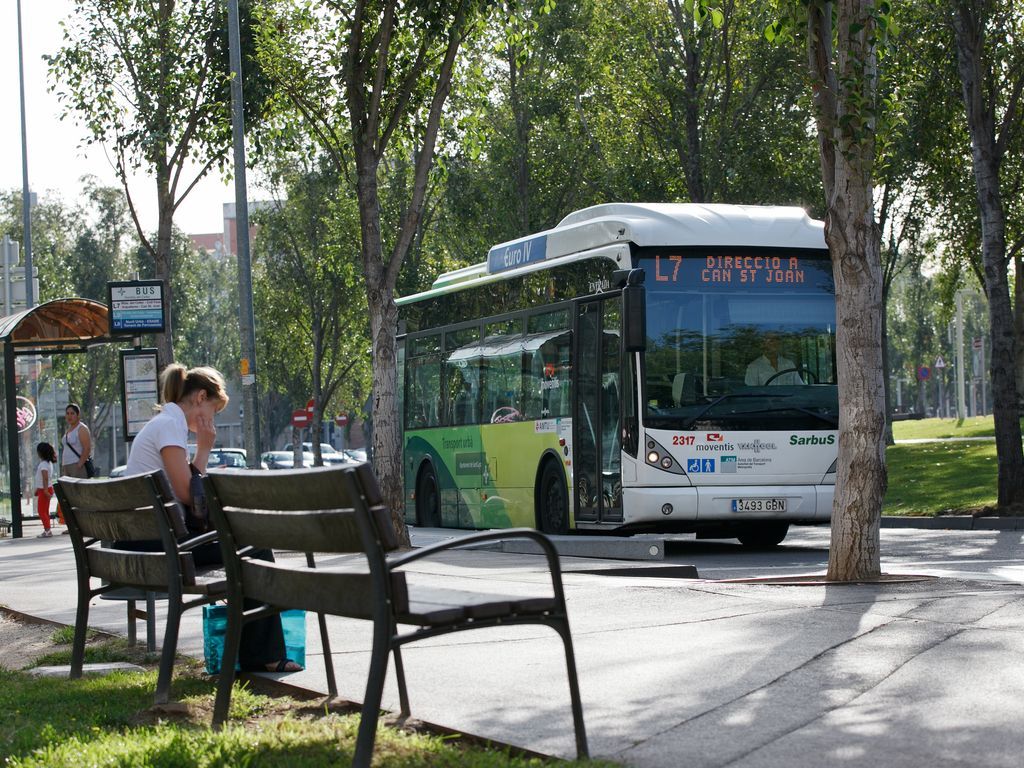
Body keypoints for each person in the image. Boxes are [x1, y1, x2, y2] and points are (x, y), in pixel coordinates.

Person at [125, 363, 302, 673]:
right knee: (254, 547)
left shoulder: (164, 422)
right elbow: (186, 494)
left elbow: (183, 493)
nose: (211, 419)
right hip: (160, 546)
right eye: (213, 410)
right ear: (200, 397)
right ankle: (262, 654)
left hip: (149, 540)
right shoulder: (170, 425)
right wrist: (204, 450)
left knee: (246, 546)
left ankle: (258, 651)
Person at [61, 403, 92, 478]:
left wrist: (79, 464)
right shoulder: (68, 429)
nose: (69, 416)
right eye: (67, 413)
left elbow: (87, 448)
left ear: (78, 415)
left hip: (76, 465)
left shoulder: (81, 428)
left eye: (72, 413)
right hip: (66, 466)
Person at [34, 443, 58, 538]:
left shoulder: (43, 464)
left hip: (45, 490)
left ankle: (47, 530)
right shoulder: (48, 463)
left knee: (41, 511)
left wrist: (44, 490)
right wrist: (38, 489)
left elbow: (45, 478)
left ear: (41, 453)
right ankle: (47, 529)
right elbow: (43, 479)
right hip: (45, 489)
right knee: (45, 511)